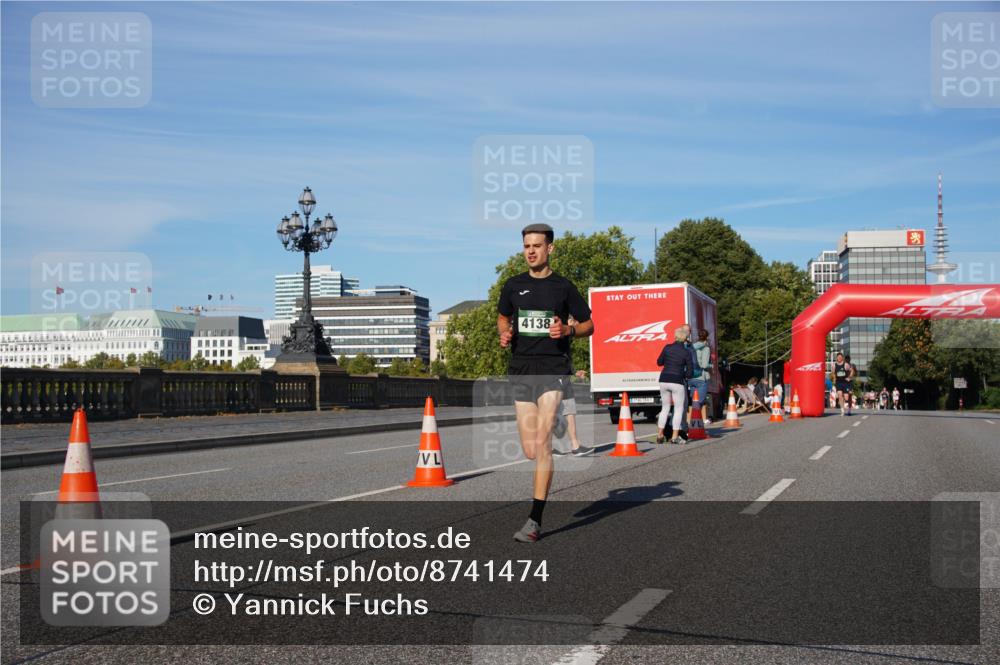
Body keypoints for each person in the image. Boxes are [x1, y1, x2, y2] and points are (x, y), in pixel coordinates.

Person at [498, 223, 594, 543]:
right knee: (529, 449)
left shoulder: (563, 287)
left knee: (541, 446)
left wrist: (568, 331)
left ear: (549, 248)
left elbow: (589, 325)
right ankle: (552, 430)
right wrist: (505, 331)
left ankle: (534, 520)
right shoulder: (513, 285)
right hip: (522, 368)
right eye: (526, 246)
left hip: (554, 368)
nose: (530, 251)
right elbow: (502, 316)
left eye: (537, 246)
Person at [656, 326, 694, 444]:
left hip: (664, 379)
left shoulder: (667, 348)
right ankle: (674, 437)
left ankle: (660, 434)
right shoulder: (686, 352)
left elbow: (659, 362)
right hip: (677, 381)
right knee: (678, 409)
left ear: (675, 336)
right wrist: (684, 374)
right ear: (685, 338)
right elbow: (690, 372)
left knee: (665, 408)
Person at [552, 369, 595, 457]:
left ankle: (575, 446)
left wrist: (575, 372)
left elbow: (564, 362)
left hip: (562, 384)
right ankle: (547, 447)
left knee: (568, 411)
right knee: (549, 415)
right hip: (552, 382)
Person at [691, 329, 713, 423]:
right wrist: (712, 365)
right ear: (706, 337)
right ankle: (697, 423)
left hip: (691, 376)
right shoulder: (706, 348)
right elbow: (704, 365)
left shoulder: (692, 347)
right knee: (700, 401)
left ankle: (690, 423)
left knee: (692, 402)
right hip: (701, 376)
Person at [831, 351, 852, 416]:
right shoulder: (834, 365)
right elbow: (833, 373)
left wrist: (849, 377)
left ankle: (849, 409)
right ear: (836, 358)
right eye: (838, 357)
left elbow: (852, 370)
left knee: (846, 397)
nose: (839, 358)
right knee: (840, 395)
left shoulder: (846, 365)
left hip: (845, 382)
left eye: (840, 357)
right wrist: (834, 378)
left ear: (842, 358)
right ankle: (842, 410)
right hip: (838, 382)